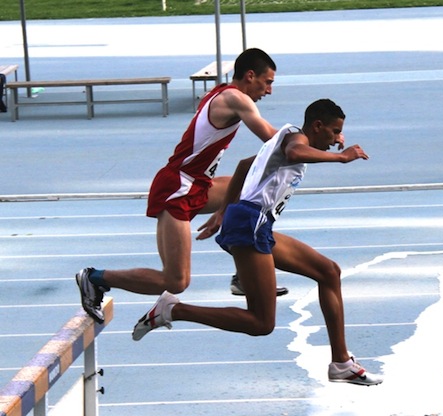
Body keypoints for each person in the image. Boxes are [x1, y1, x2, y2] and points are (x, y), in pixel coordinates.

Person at [132, 98, 383, 386]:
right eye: (334, 131)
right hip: (250, 224)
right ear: (317, 126)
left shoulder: (280, 141)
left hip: (254, 223)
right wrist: (342, 158)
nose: (337, 139)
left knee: (328, 272)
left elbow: (242, 167)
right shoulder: (293, 140)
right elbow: (296, 151)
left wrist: (223, 211)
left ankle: (341, 362)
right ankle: (174, 310)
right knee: (261, 323)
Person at [76, 48, 287, 324]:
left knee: (250, 188)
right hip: (177, 187)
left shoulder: (221, 92)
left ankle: (243, 275)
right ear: (250, 75)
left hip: (198, 183)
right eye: (267, 82)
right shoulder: (235, 98)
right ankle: (94, 278)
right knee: (176, 281)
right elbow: (273, 143)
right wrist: (320, 145)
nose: (269, 90)